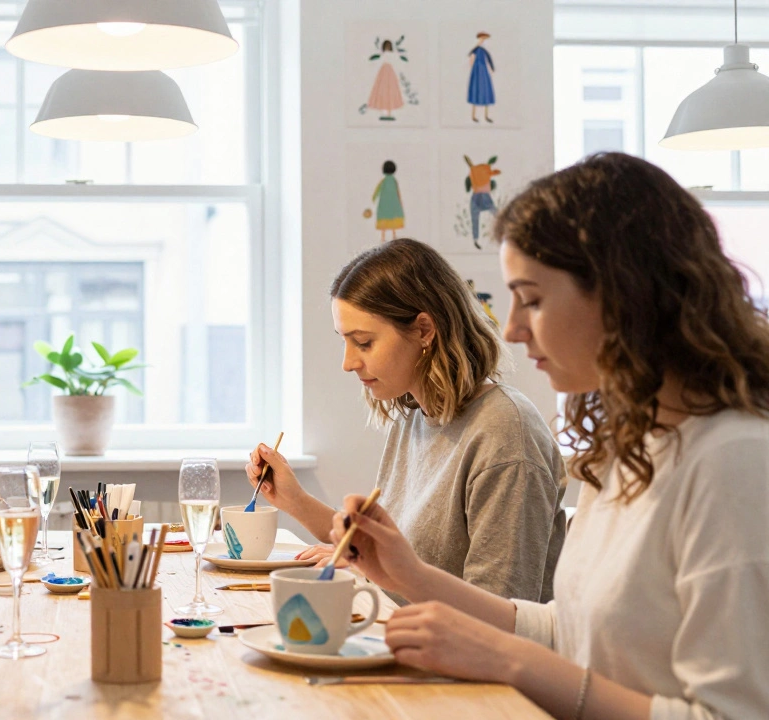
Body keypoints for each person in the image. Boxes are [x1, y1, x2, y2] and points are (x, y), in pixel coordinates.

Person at [331, 152, 769, 718]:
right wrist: (409, 575)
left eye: (532, 299)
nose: (513, 328)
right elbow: (573, 628)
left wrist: (509, 661)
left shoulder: (733, 461)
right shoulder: (635, 442)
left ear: (623, 294)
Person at [248, 238, 566, 602]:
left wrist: (372, 576)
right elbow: (393, 552)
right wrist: (294, 500)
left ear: (424, 330)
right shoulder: (413, 418)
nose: (348, 363)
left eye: (364, 342)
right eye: (344, 341)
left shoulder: (505, 435)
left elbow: (500, 610)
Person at [372, 160, 405, 242]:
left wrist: (374, 198)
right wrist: (400, 201)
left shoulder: (384, 181)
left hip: (385, 203)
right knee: (393, 218)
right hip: (393, 202)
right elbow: (398, 192)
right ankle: (393, 236)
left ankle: (383, 238)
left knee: (384, 218)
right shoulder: (394, 181)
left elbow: (378, 190)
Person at [468, 32, 496, 123]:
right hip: (477, 72)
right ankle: (473, 116)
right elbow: (471, 59)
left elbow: (489, 60)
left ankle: (486, 116)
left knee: (486, 91)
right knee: (476, 90)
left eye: (484, 39)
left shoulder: (485, 50)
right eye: (482, 39)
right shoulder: (476, 49)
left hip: (484, 72)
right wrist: (474, 69)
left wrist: (491, 69)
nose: (483, 41)